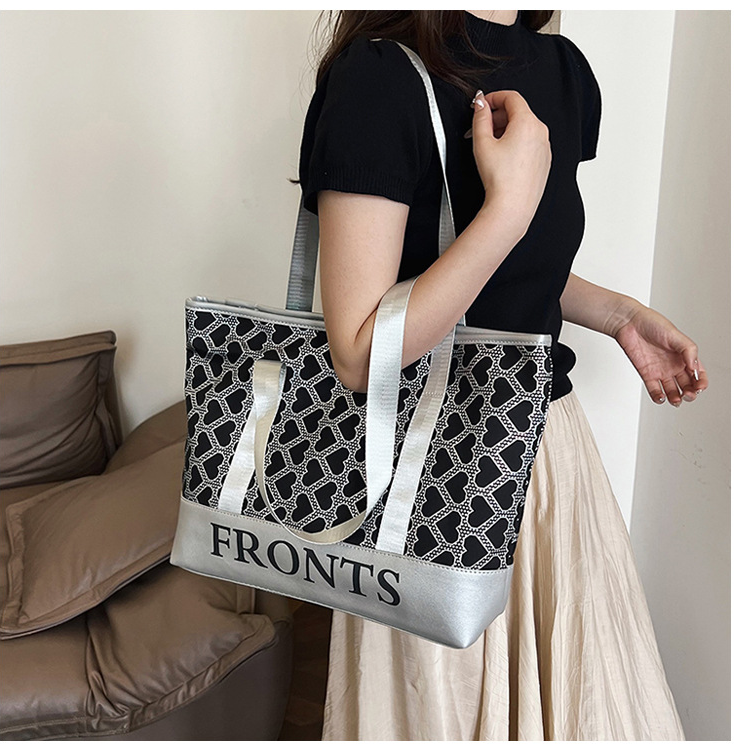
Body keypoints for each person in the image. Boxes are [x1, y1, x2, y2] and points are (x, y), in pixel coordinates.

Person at [296, 10, 704, 741]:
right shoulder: (380, 77)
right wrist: (507, 208)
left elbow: (506, 272)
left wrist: (616, 315)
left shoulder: (563, 72)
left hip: (546, 453)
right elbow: (360, 353)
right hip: (432, 472)